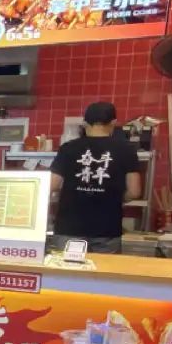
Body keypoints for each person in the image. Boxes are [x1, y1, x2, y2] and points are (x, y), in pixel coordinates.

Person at [50, 101, 142, 254]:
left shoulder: (68, 148)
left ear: (85, 123)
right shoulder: (126, 150)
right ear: (113, 123)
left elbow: (51, 185)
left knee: (69, 269)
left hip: (69, 228)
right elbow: (134, 191)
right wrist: (117, 197)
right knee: (103, 269)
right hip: (107, 229)